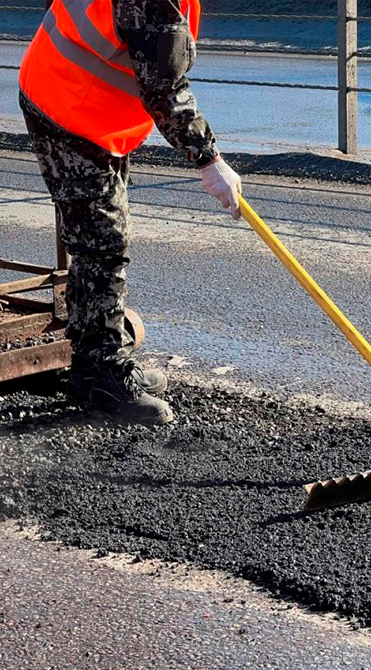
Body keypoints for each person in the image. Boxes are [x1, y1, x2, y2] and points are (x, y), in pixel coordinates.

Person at [19, 0, 242, 425]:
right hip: (68, 107)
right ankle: (104, 377)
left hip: (83, 102)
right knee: (104, 242)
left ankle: (90, 366)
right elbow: (163, 89)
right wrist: (208, 159)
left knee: (96, 241)